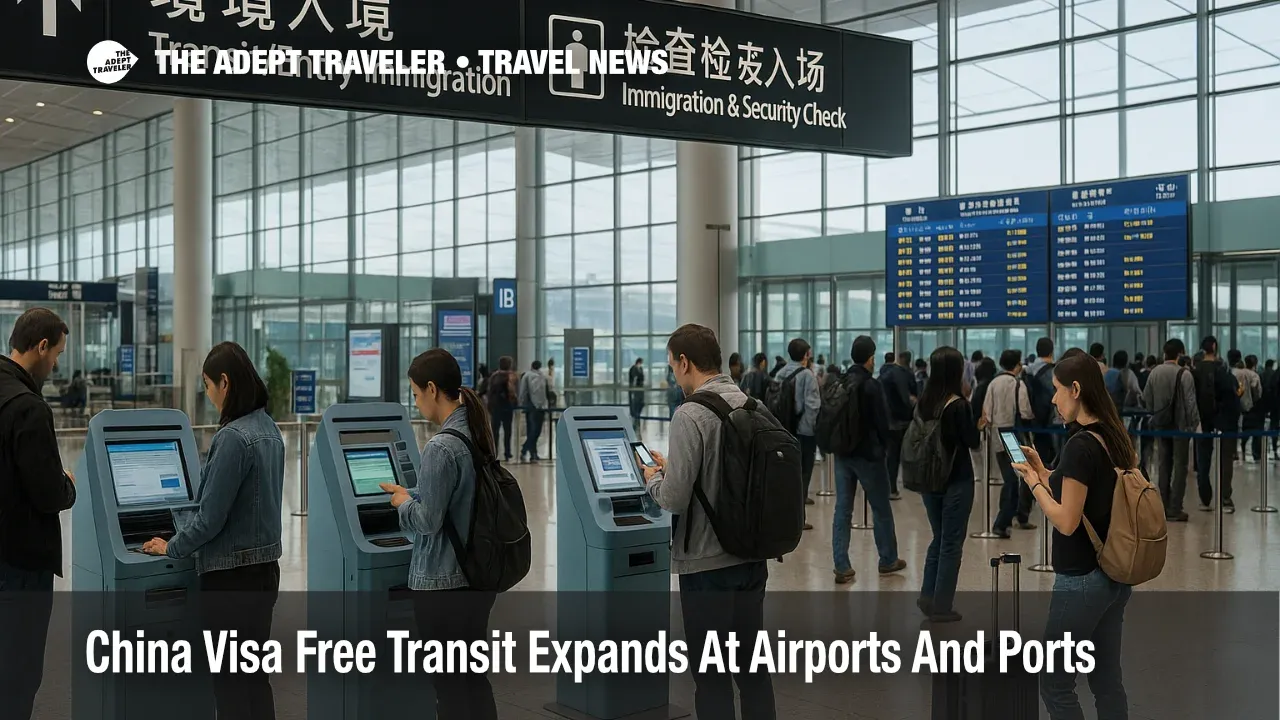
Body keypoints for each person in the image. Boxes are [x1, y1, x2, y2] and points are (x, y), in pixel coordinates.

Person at [141, 341, 285, 720]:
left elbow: (209, 519)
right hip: (264, 573)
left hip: (231, 581)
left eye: (207, 385)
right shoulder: (268, 428)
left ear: (225, 382)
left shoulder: (233, 438)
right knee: (254, 678)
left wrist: (171, 546)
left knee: (230, 684)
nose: (208, 395)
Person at [642, 324, 776, 720]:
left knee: (713, 677)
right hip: (751, 558)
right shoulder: (751, 404)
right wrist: (677, 469)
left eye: (672, 367)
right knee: (753, 671)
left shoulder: (691, 413)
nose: (673, 375)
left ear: (685, 362)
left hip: (706, 565)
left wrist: (654, 479)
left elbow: (674, 498)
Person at [1009, 353, 1135, 720]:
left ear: (1076, 390)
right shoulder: (1111, 435)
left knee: (1055, 682)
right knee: (1107, 679)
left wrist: (1033, 484)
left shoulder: (1080, 445)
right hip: (1113, 574)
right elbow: (1084, 492)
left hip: (1081, 580)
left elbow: (1067, 520)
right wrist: (1046, 472)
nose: (1053, 399)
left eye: (1057, 390)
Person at [380, 349, 498, 720]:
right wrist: (418, 495)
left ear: (432, 389)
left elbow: (429, 521)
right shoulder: (476, 431)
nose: (415, 403)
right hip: (476, 578)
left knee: (448, 688)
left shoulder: (440, 446)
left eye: (415, 394)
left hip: (444, 586)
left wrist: (402, 501)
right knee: (473, 680)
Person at [0, 308, 75, 720]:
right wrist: (69, 485)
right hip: (20, 562)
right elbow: (47, 493)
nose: (57, 363)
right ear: (41, 346)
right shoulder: (28, 407)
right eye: (57, 353)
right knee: (18, 672)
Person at [914, 347, 980, 623]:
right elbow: (971, 442)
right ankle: (942, 605)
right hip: (957, 479)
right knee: (952, 542)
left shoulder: (924, 401)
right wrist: (980, 424)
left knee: (938, 537)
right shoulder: (959, 405)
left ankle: (927, 596)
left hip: (930, 479)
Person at [832, 336, 905, 583]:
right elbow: (882, 422)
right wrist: (886, 447)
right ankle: (887, 559)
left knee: (842, 509)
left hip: (843, 454)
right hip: (869, 456)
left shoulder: (841, 381)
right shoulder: (871, 386)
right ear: (871, 358)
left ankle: (841, 565)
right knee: (881, 509)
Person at [1142, 339, 1198, 522]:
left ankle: (1162, 506)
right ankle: (1175, 507)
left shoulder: (1155, 372)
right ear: (1180, 354)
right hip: (1180, 427)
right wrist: (1194, 424)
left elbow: (1146, 399)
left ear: (1164, 353)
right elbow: (1190, 403)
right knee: (1180, 466)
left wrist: (1155, 414)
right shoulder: (1185, 374)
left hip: (1160, 426)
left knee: (1163, 464)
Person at [982, 350, 1036, 538]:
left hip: (997, 435)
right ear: (1017, 365)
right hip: (1012, 435)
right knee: (1022, 476)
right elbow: (1026, 411)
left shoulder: (993, 383)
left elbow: (986, 412)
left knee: (1008, 476)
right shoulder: (1017, 384)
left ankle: (1007, 518)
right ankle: (1009, 518)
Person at [1193, 337, 1242, 513]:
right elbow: (1233, 398)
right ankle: (1225, 499)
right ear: (1214, 347)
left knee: (1203, 460)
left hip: (1201, 421)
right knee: (1225, 460)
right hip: (1224, 422)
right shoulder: (1224, 371)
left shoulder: (1195, 371)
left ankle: (1205, 499)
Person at [776, 339, 821, 525]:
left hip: (783, 430)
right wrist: (811, 431)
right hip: (803, 432)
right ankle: (798, 519)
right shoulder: (807, 375)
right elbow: (812, 406)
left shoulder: (779, 373)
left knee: (786, 474)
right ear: (806, 355)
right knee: (803, 474)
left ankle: (784, 514)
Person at [880, 351, 918, 501]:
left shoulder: (880, 376)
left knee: (891, 455)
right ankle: (913, 482)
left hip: (887, 421)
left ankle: (891, 487)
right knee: (909, 452)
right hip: (903, 421)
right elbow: (912, 395)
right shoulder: (905, 374)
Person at [1024, 337, 1060, 466]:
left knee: (1039, 454)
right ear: (1051, 351)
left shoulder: (1027, 370)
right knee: (1055, 456)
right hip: (1052, 420)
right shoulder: (1054, 372)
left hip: (1033, 420)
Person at [486, 356, 517, 462]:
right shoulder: (511, 376)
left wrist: (489, 406)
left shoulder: (493, 376)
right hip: (507, 406)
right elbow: (513, 392)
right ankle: (507, 452)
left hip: (495, 407)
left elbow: (489, 392)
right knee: (508, 431)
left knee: (495, 431)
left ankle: (494, 452)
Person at [517, 360, 549, 463]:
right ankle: (528, 450)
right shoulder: (541, 377)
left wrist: (523, 404)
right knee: (535, 431)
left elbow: (523, 392)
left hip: (531, 406)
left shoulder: (529, 376)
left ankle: (530, 451)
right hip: (537, 407)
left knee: (534, 431)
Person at [1235, 353, 1264, 461]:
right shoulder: (1254, 375)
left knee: (1245, 428)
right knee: (1256, 431)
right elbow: (1256, 390)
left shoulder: (1239, 373)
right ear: (1255, 363)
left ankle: (1241, 447)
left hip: (1241, 404)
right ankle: (1256, 454)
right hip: (1253, 406)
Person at [628, 357, 646, 433]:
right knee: (635, 406)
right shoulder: (633, 369)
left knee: (640, 405)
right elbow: (634, 380)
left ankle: (637, 419)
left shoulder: (640, 369)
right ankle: (635, 420)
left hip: (640, 391)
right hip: (635, 391)